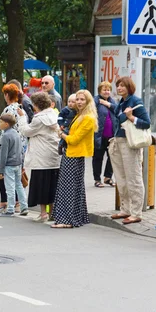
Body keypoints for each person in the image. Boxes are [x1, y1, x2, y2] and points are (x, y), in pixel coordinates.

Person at [109, 77, 151, 225]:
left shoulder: (135, 101)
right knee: (121, 178)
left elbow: (146, 123)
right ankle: (125, 209)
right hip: (118, 142)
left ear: (129, 87)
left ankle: (136, 212)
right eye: (118, 86)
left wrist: (131, 117)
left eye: (122, 86)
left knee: (133, 178)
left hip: (130, 143)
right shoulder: (121, 102)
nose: (119, 88)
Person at [52, 90, 96, 228]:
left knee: (69, 188)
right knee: (69, 187)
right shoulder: (79, 115)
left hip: (75, 154)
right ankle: (70, 218)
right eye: (77, 99)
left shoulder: (88, 118)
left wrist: (61, 134)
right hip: (70, 153)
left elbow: (75, 139)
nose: (79, 102)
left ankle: (68, 220)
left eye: (82, 99)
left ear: (88, 101)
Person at [18, 92, 61, 222]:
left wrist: (21, 117)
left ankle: (43, 213)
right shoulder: (53, 115)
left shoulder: (39, 119)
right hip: (54, 156)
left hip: (41, 157)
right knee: (52, 185)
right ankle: (52, 212)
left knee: (41, 185)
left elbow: (26, 131)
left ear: (36, 105)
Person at [0, 84, 27, 213]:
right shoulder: (20, 108)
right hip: (20, 145)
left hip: (9, 145)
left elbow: (3, 133)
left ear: (7, 95)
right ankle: (22, 205)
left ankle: (7, 203)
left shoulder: (8, 109)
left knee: (2, 173)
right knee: (17, 178)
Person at [0, 114, 28, 217]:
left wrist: (1, 170)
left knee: (10, 187)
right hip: (18, 163)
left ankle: (10, 209)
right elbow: (21, 150)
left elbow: (3, 154)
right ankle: (24, 207)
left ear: (6, 124)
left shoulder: (5, 136)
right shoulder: (16, 133)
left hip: (9, 165)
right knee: (18, 185)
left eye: (1, 122)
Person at [93, 81, 117, 188]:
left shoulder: (113, 101)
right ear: (99, 91)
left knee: (112, 157)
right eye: (104, 90)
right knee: (98, 157)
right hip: (99, 135)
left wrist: (109, 104)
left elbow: (118, 110)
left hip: (112, 136)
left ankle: (108, 177)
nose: (107, 92)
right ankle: (97, 179)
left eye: (108, 90)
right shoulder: (95, 101)